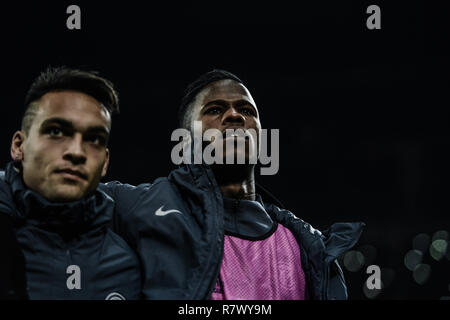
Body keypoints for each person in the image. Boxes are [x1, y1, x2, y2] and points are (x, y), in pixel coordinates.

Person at [101, 69, 365, 300]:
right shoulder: (134, 207)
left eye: (247, 110)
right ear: (186, 139)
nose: (234, 116)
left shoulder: (309, 246)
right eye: (215, 110)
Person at [0, 67, 141, 299]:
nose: (76, 152)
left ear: (105, 162)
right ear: (19, 146)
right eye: (56, 131)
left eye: (94, 139)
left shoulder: (126, 266)